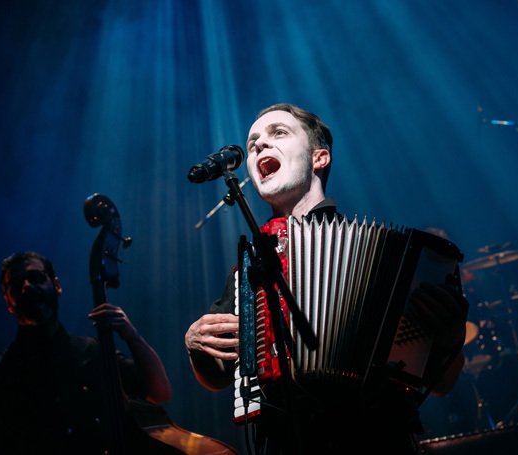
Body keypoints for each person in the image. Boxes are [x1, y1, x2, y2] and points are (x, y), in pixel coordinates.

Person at [185, 104, 468, 454]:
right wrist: (196, 346)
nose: (258, 145)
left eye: (278, 133)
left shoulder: (387, 257)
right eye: (253, 140)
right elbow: (217, 376)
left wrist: (451, 337)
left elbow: (441, 383)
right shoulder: (252, 266)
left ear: (319, 158)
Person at [0, 251, 173, 454]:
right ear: (8, 301)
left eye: (36, 277)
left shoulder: (92, 351)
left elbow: (159, 392)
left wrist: (132, 335)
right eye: (17, 283)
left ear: (56, 286)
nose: (26, 286)